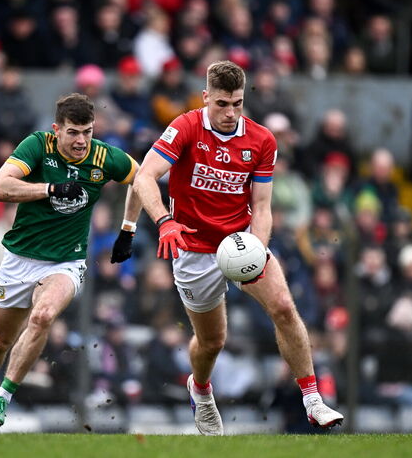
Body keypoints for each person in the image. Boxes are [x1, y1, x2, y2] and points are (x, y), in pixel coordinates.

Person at [132, 60, 343, 435]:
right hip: (194, 249)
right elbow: (144, 177)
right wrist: (165, 221)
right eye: (222, 104)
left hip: (240, 241)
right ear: (205, 98)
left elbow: (262, 206)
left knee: (283, 307)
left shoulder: (262, 140)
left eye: (237, 104)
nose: (230, 113)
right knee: (212, 341)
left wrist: (257, 249)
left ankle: (312, 400)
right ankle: (200, 389)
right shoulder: (184, 127)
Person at [0, 93, 141, 432]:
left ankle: (4, 396)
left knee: (42, 316)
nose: (81, 140)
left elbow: (142, 178)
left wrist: (127, 229)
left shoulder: (104, 157)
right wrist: (50, 189)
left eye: (87, 131)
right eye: (73, 132)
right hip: (19, 259)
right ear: (57, 130)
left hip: (66, 262)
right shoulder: (37, 146)